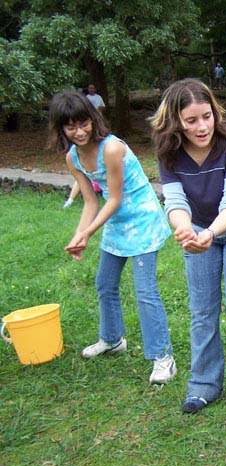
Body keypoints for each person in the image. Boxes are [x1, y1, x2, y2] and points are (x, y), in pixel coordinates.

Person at [149, 78, 226, 414]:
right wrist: (185, 229)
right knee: (202, 309)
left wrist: (210, 234)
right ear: (176, 122)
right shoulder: (168, 153)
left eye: (207, 116)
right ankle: (203, 383)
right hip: (199, 232)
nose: (202, 126)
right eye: (191, 120)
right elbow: (174, 201)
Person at [47, 91, 176, 384]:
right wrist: (79, 236)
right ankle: (112, 339)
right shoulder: (73, 158)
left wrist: (89, 233)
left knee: (145, 292)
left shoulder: (112, 148)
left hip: (142, 219)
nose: (79, 132)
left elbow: (114, 198)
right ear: (61, 129)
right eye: (70, 127)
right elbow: (92, 202)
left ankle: (163, 357)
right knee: (105, 284)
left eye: (83, 123)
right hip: (116, 222)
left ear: (92, 119)